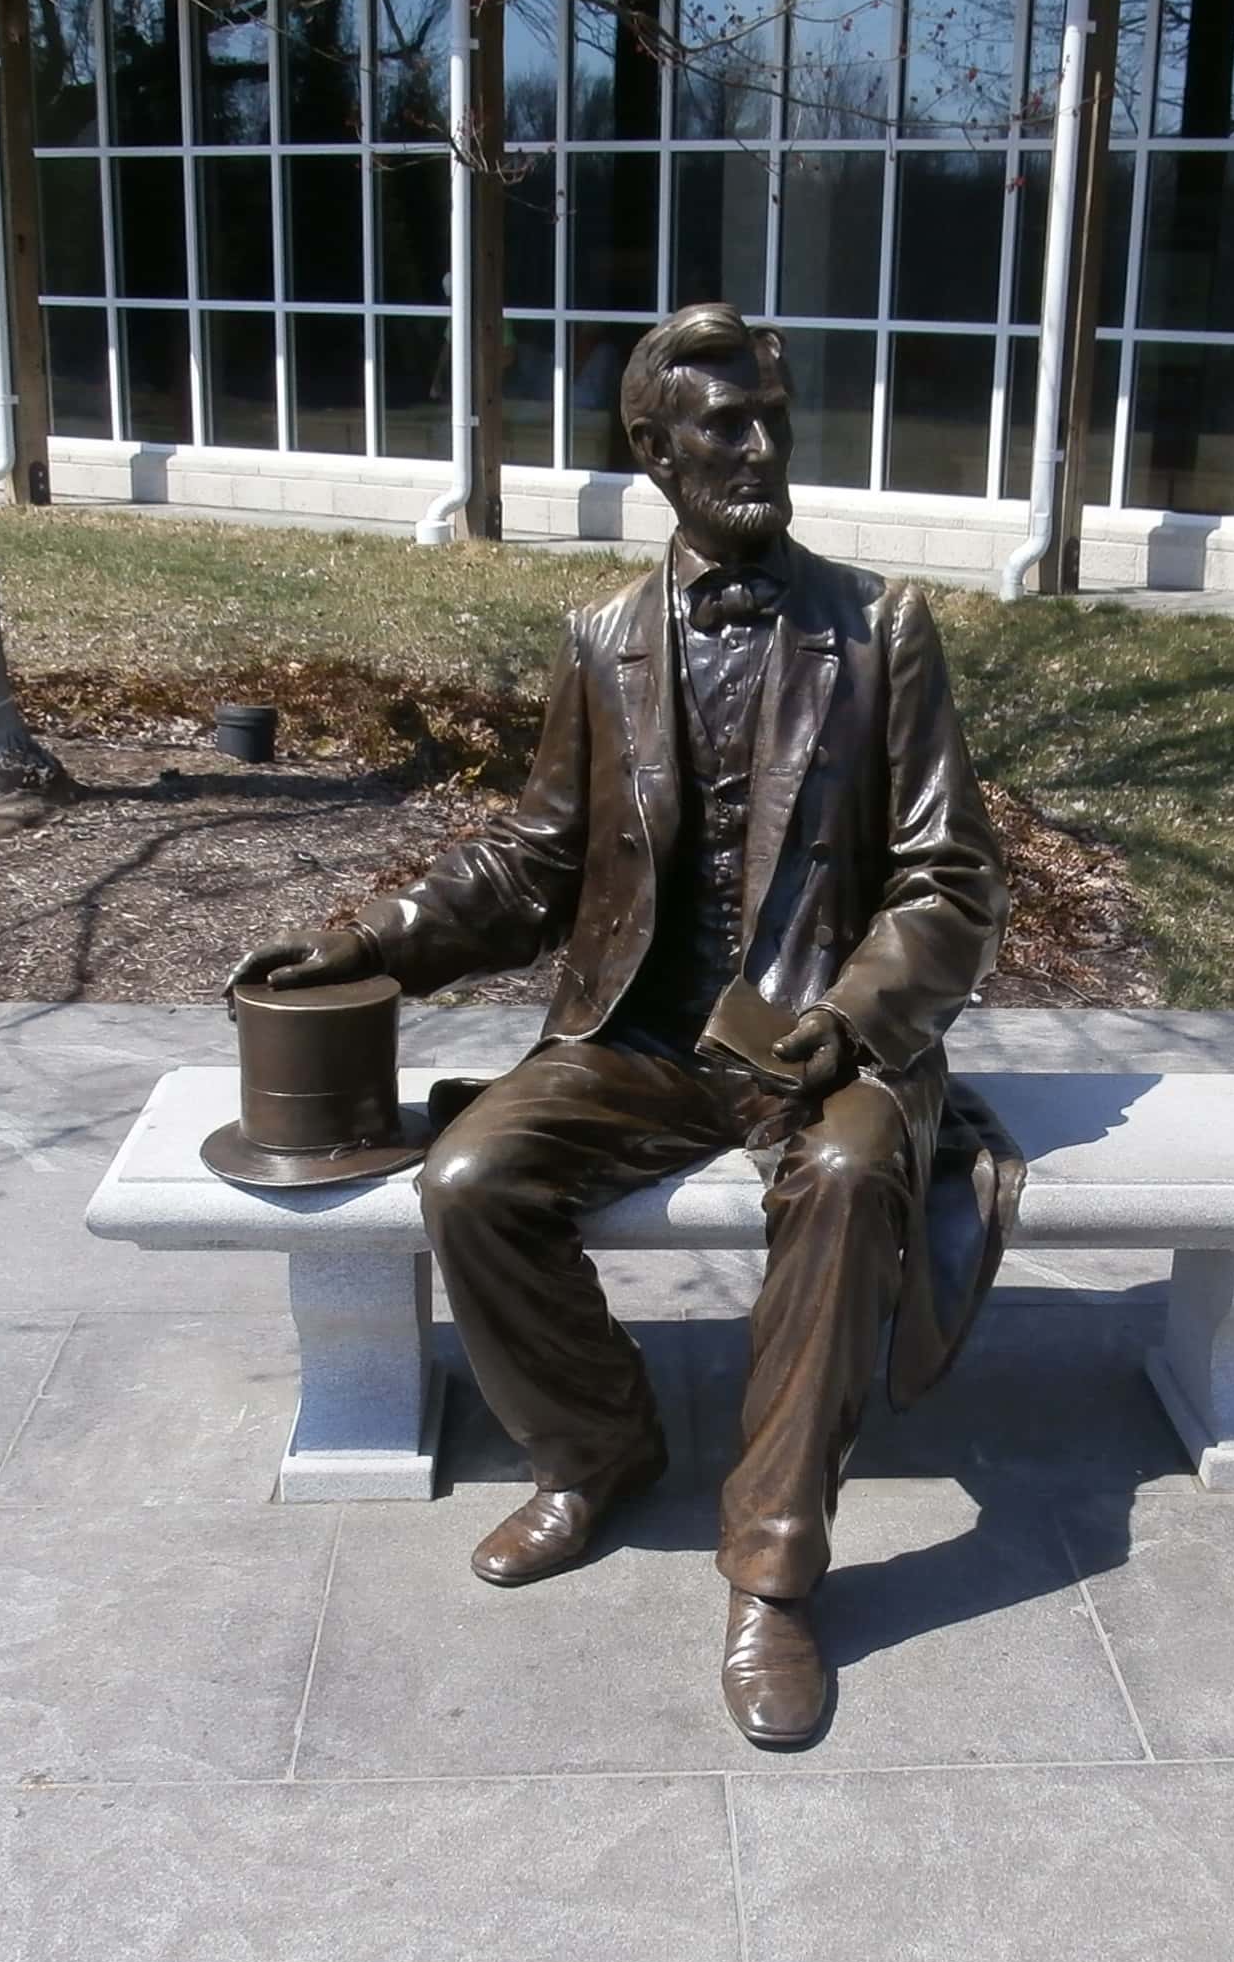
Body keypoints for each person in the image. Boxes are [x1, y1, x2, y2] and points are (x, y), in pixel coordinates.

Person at [231, 302, 1011, 1745]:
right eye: (726, 424)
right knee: (471, 1178)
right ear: (652, 449)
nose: (762, 446)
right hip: (642, 1037)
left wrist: (853, 1016)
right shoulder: (602, 640)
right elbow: (536, 859)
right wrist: (371, 946)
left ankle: (775, 1574)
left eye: (773, 414)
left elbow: (948, 873)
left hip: (820, 1032)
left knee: (845, 1180)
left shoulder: (881, 625)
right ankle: (600, 1450)